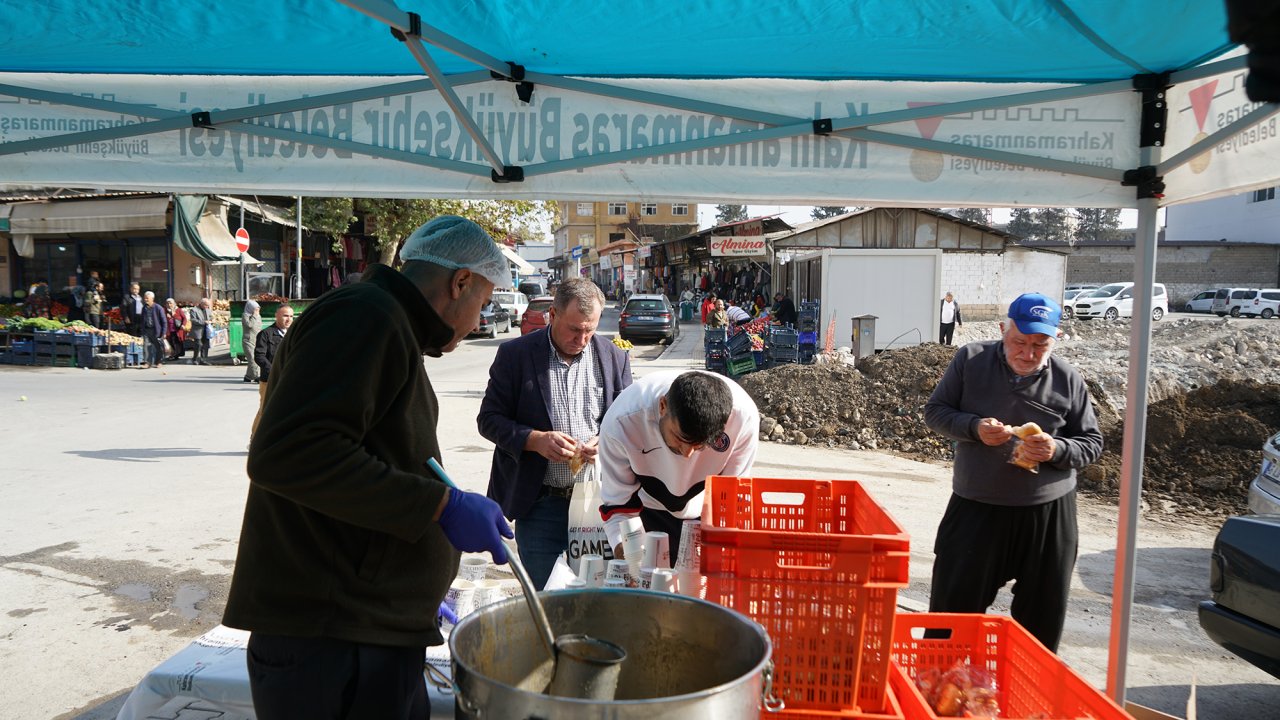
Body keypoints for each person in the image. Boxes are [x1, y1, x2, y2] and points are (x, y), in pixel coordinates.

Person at [223, 215, 515, 719]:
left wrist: (416, 579)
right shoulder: (367, 316)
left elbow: (371, 455)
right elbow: (290, 452)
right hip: (332, 639)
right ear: (459, 282)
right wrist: (440, 505)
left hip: (366, 625)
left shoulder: (389, 323)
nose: (478, 322)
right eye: (483, 304)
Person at [922, 293, 1103, 653]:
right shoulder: (970, 361)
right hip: (977, 508)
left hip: (1048, 515)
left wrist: (1057, 449)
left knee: (1040, 625)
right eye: (1019, 342)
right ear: (1003, 330)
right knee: (951, 620)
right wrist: (974, 427)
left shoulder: (1068, 379)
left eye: (1040, 345)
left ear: (1055, 339)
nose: (1028, 353)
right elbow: (936, 411)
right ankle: (941, 696)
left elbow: (1092, 442)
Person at [478, 278, 633, 589]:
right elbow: (489, 419)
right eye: (574, 329)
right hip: (540, 504)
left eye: (590, 330)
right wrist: (534, 440)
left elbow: (628, 421)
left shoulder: (614, 357)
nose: (583, 339)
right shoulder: (516, 356)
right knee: (547, 595)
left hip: (598, 503)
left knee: (597, 594)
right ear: (553, 314)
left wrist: (606, 442)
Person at [599, 370, 760, 560]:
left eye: (700, 446)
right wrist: (626, 548)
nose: (687, 453)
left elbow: (730, 500)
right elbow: (619, 504)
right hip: (646, 509)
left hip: (704, 509)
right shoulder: (622, 422)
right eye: (680, 438)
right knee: (645, 577)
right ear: (662, 406)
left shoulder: (742, 419)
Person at [251, 305, 294, 438]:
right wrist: (275, 372)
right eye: (285, 315)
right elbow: (259, 356)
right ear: (276, 316)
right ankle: (255, 439)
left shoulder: (293, 334)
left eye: (291, 316)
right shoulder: (266, 334)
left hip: (289, 380)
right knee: (265, 410)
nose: (288, 319)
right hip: (269, 380)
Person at [139, 291, 168, 369]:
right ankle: (147, 362)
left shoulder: (158, 308)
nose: (145, 299)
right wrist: (142, 329)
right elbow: (142, 319)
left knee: (158, 347)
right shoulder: (144, 308)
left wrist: (164, 332)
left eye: (147, 298)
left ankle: (159, 362)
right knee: (146, 346)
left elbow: (164, 321)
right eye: (144, 298)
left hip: (156, 331)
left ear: (152, 298)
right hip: (147, 330)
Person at [241, 300, 262, 383]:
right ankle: (257, 376)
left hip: (256, 339)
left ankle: (248, 377)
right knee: (252, 359)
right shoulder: (245, 315)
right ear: (251, 308)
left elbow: (259, 326)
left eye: (258, 309)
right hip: (248, 340)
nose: (257, 311)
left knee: (254, 358)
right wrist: (254, 316)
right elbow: (249, 325)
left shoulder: (258, 316)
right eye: (255, 309)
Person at [187, 298, 212, 365]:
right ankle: (194, 359)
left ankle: (203, 360)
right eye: (206, 305)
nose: (207, 307)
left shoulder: (208, 310)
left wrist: (211, 321)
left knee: (205, 345)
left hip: (206, 330)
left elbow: (211, 317)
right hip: (198, 330)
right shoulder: (194, 310)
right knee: (198, 345)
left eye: (208, 305)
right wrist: (204, 322)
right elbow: (193, 320)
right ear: (202, 303)